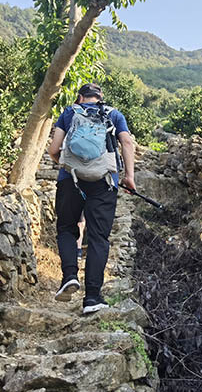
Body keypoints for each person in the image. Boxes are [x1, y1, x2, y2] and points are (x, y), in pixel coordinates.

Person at [48, 83, 136, 313]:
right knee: (98, 237)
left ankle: (69, 276)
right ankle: (92, 298)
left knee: (66, 228)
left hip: (70, 179)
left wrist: (67, 166)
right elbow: (127, 142)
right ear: (100, 97)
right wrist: (129, 177)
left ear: (80, 97)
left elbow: (53, 149)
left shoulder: (69, 113)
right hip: (104, 181)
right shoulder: (114, 114)